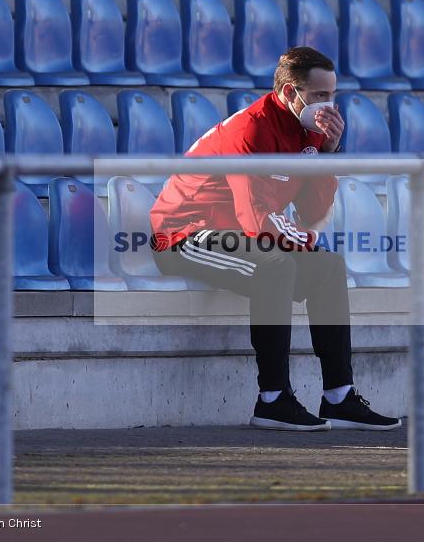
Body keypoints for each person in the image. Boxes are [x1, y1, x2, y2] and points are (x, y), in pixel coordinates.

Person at [150, 46, 400, 432]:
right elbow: (256, 220)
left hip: (236, 235)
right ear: (289, 93)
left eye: (333, 96)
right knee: (276, 264)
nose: (329, 106)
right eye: (320, 96)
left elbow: (314, 211)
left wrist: (328, 153)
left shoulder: (307, 133)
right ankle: (273, 399)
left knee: (328, 267)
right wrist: (302, 243)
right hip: (185, 234)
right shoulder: (251, 128)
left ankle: (338, 396)